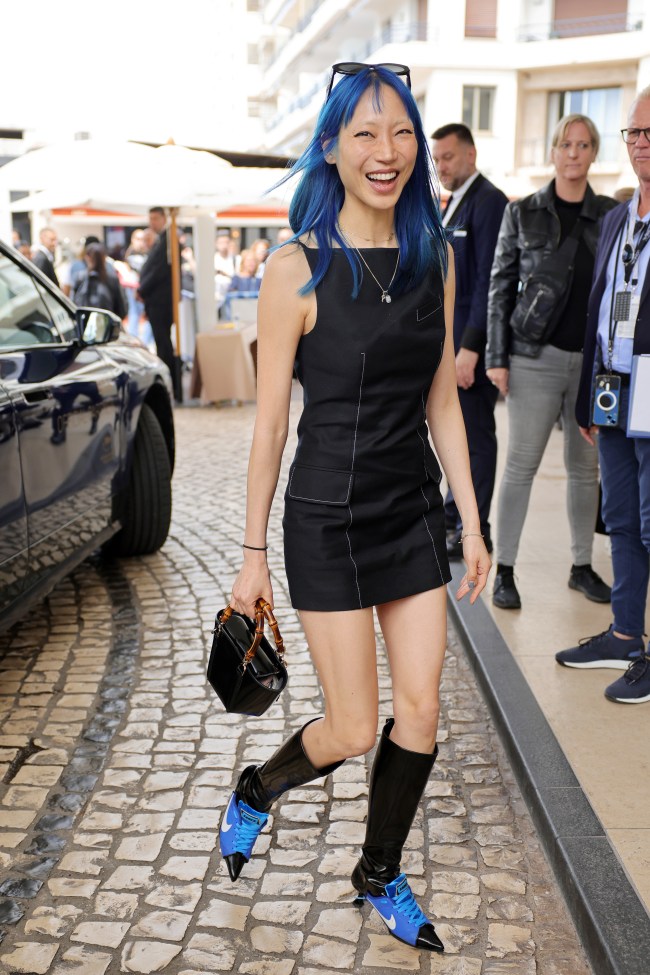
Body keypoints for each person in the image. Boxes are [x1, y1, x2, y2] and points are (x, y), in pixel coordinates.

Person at [219, 61, 491, 953]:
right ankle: (259, 786)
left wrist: (474, 519)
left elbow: (442, 399)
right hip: (325, 522)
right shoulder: (295, 270)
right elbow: (267, 431)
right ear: (330, 147)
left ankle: (378, 869)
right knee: (347, 724)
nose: (388, 151)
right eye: (365, 133)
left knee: (419, 714)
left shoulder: (435, 258)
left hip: (410, 512)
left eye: (402, 131)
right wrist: (253, 553)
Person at [486, 114, 617, 610]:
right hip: (533, 358)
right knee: (520, 465)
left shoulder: (609, 215)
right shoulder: (524, 213)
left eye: (584, 145)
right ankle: (506, 570)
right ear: (553, 152)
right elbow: (500, 286)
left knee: (586, 469)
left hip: (589, 363)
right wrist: (497, 358)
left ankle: (581, 567)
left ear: (593, 154)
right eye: (566, 144)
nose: (574, 153)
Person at [555, 89, 650, 705]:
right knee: (619, 521)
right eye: (634, 133)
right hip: (617, 392)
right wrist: (593, 395)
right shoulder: (618, 217)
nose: (641, 142)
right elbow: (598, 312)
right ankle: (624, 634)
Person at [431, 123, 508, 558]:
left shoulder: (489, 201)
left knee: (476, 438)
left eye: (448, 157)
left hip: (469, 350)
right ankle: (453, 513)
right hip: (449, 346)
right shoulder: (453, 203)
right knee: (456, 435)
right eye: (437, 158)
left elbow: (488, 282)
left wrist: (472, 347)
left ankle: (475, 528)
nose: (441, 165)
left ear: (471, 155)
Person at [138, 207, 177, 378]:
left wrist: (142, 289)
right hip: (156, 300)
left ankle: (169, 379)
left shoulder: (167, 240)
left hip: (161, 301)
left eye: (155, 218)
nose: (152, 222)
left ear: (163, 218)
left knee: (163, 343)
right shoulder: (162, 240)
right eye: (150, 218)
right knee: (162, 342)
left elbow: (159, 271)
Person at [72, 242, 127, 318]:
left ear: (87, 258)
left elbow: (73, 306)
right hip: (106, 324)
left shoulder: (79, 277)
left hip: (83, 324)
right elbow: (122, 310)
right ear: (104, 258)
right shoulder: (112, 279)